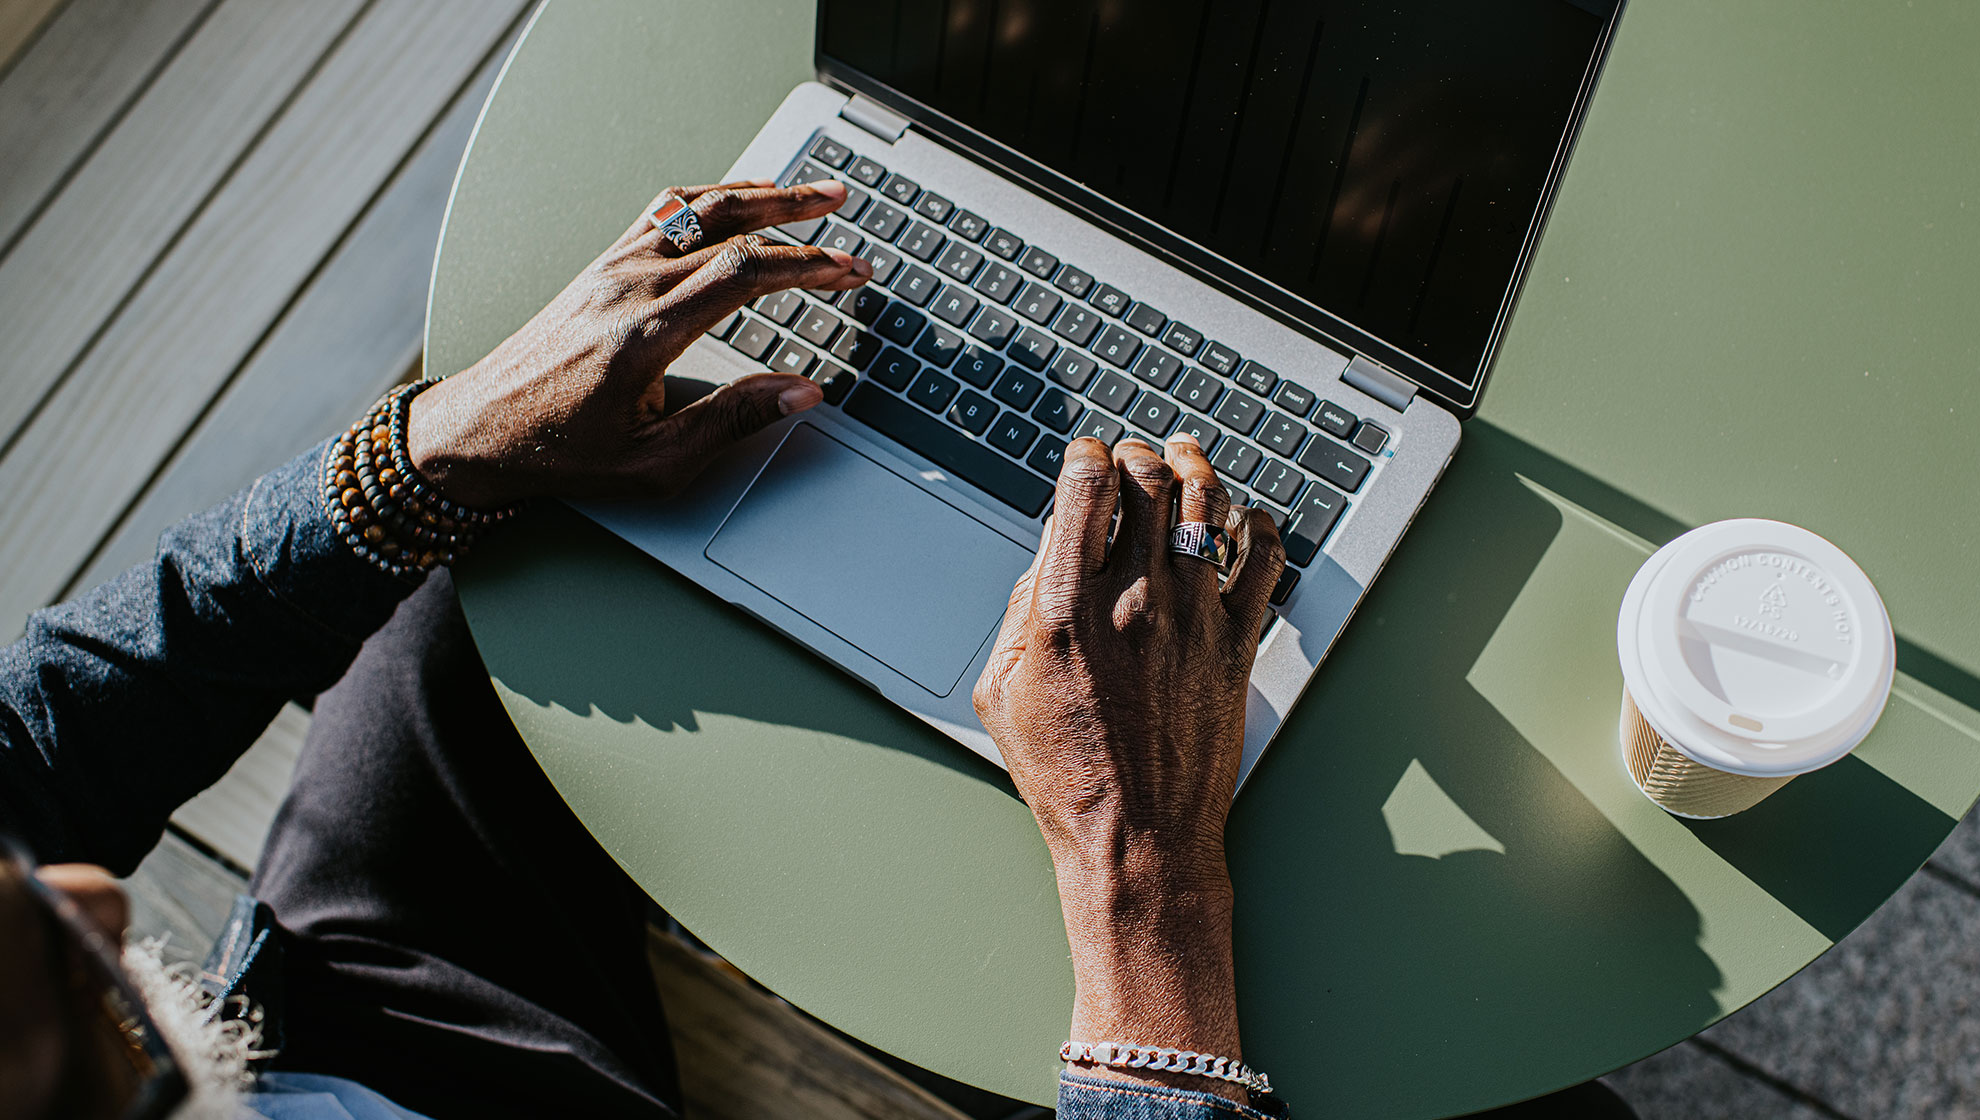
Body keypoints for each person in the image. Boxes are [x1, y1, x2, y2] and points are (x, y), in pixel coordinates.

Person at [0, 178, 1634, 1119]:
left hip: (325, 1035)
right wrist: (1149, 905)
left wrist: (435, 452)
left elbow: (37, 749)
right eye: (54, 1006)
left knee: (518, 560)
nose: (84, 894)